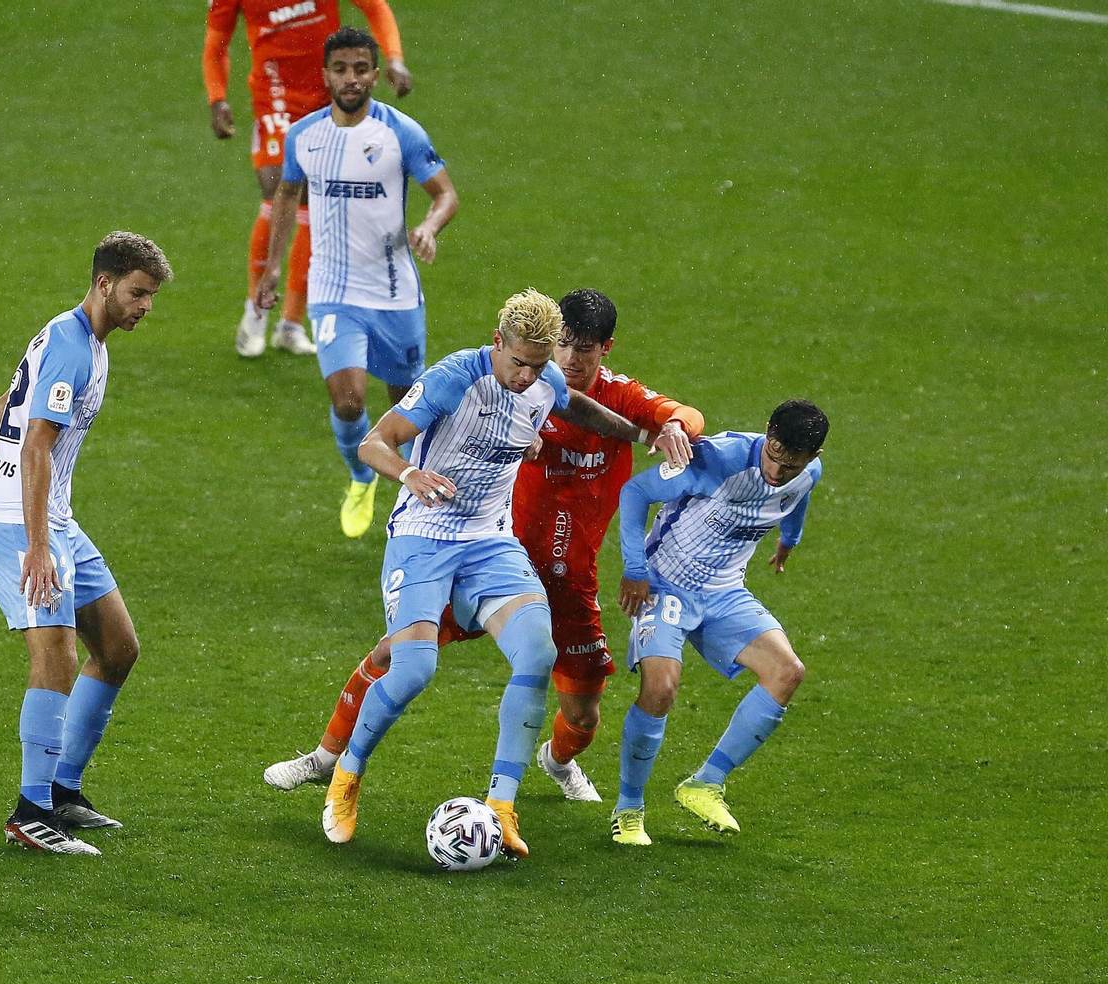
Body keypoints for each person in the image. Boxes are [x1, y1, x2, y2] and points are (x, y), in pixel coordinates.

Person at [263, 290, 704, 802]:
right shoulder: (474, 378)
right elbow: (379, 440)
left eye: (570, 354)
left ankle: (532, 782)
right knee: (402, 661)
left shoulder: (570, 386)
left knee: (566, 690)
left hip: (533, 565)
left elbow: (621, 409)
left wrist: (649, 429)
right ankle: (327, 761)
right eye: (542, 354)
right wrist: (411, 472)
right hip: (456, 545)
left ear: (604, 349)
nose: (547, 368)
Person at [0, 232, 172, 856]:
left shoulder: (76, 338)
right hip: (21, 524)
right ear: (105, 283)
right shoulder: (70, 348)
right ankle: (31, 814)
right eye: (138, 294)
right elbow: (34, 446)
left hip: (51, 520)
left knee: (117, 648)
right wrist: (36, 545)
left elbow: (7, 402)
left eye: (152, 298)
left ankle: (62, 790)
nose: (145, 308)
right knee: (54, 654)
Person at [254, 26, 457, 540]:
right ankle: (361, 474)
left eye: (361, 68)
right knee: (347, 401)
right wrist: (272, 269)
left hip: (394, 295)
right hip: (333, 294)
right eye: (341, 69)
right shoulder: (305, 136)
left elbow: (446, 195)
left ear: (374, 74)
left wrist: (429, 228)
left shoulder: (401, 133)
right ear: (326, 74)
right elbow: (285, 199)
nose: (351, 78)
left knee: (408, 407)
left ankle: (421, 497)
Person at [610, 399, 829, 845]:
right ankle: (629, 807)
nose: (777, 472)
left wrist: (790, 540)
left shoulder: (806, 474)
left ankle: (705, 783)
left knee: (787, 672)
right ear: (767, 433)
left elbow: (795, 497)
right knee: (661, 687)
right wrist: (635, 569)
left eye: (792, 466)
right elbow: (635, 493)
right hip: (664, 584)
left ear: (813, 459)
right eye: (774, 457)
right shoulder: (718, 459)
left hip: (724, 591)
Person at [203, 0, 412, 358]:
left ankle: (291, 323)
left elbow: (376, 7)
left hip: (327, 93)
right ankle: (257, 309)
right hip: (276, 96)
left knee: (316, 198)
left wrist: (393, 57)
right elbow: (216, 41)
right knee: (276, 186)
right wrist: (217, 97)